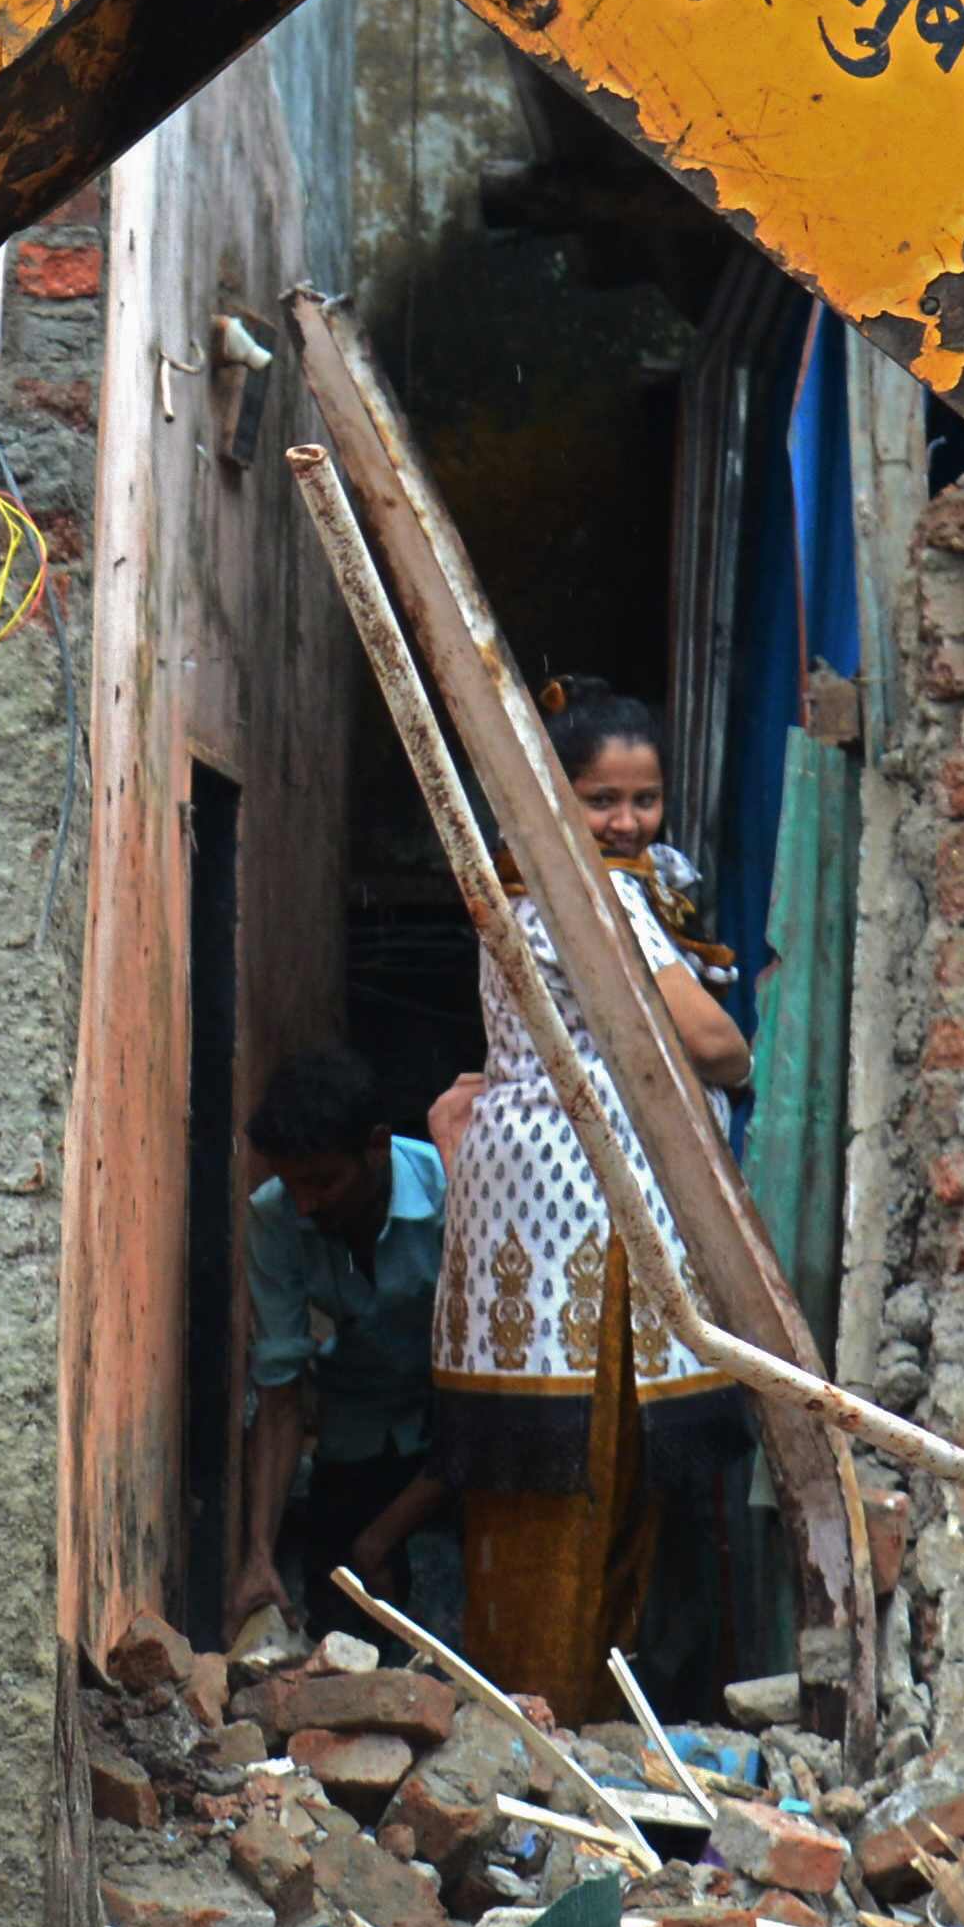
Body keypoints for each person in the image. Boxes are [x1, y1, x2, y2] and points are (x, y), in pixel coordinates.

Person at [428, 687, 758, 1718]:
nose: (624, 822)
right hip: (585, 1206)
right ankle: (557, 1722)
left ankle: (538, 1717)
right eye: (600, 799)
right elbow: (712, 1043)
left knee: (542, 1488)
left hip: (523, 1200)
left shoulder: (527, 888)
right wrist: (737, 1057)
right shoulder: (597, 898)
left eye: (643, 800)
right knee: (587, 1478)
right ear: (554, 801)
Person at [225, 1047, 448, 1639]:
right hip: (354, 1428)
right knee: (338, 1627)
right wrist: (258, 1557)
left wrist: (380, 1539)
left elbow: (484, 1404)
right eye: (291, 1184)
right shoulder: (274, 1219)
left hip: (456, 1432)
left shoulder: (452, 1192)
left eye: (323, 1182)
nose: (306, 1204)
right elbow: (278, 1392)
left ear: (376, 1146)